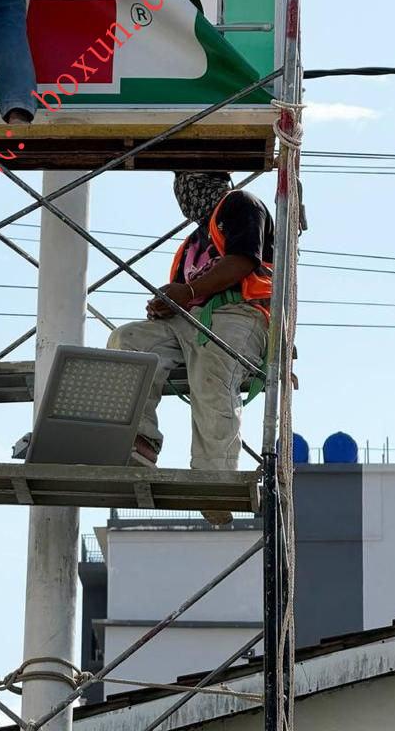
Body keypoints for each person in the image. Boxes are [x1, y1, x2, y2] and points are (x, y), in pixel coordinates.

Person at [107, 171, 273, 524]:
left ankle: (214, 480)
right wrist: (169, 303)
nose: (184, 191)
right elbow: (186, 294)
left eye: (188, 181)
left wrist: (188, 292)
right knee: (129, 341)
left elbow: (244, 260)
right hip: (191, 318)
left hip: (239, 314)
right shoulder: (193, 242)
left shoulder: (241, 204)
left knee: (213, 377)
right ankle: (140, 441)